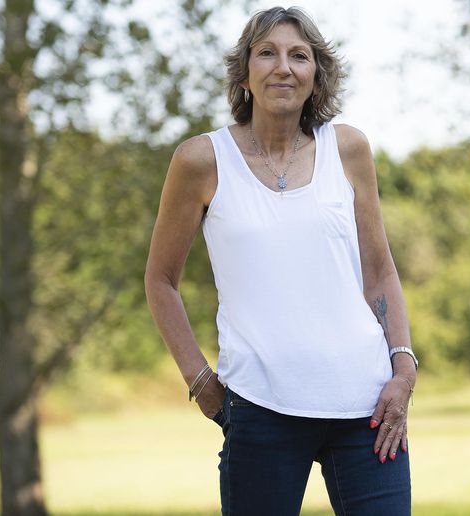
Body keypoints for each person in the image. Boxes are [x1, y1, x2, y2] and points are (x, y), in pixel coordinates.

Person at [144, 6, 417, 515]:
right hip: (261, 410)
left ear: (317, 77)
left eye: (299, 55)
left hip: (369, 410)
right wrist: (201, 382)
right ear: (245, 73)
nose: (283, 67)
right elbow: (161, 280)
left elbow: (379, 271)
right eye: (266, 53)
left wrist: (403, 372)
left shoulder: (349, 149)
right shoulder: (201, 161)